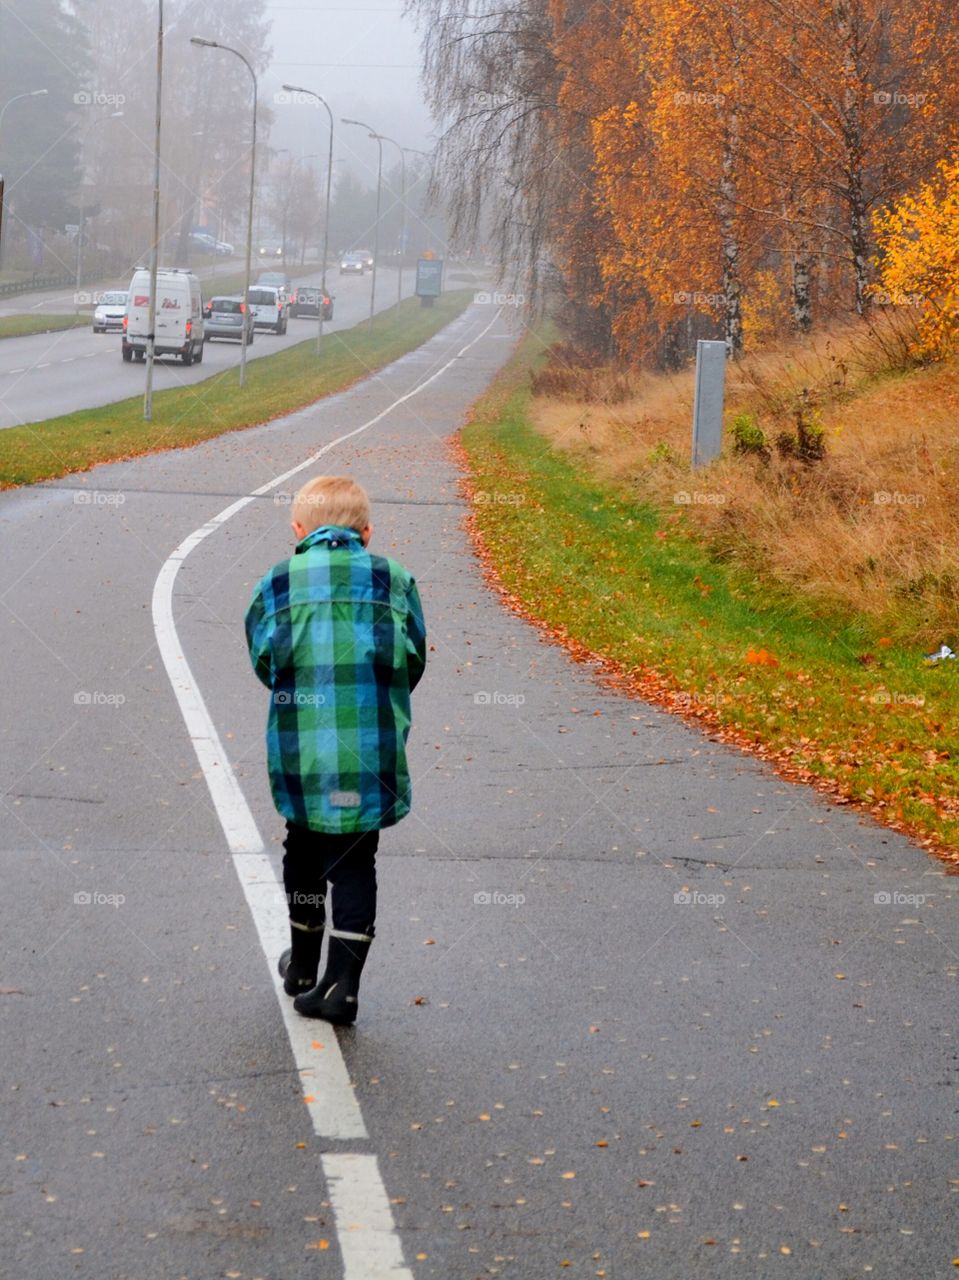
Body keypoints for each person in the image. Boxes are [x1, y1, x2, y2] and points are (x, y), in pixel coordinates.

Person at [244, 475, 426, 1024]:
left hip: (302, 750)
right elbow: (413, 657)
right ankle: (342, 986)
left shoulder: (277, 583)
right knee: (353, 861)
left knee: (301, 849)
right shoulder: (395, 581)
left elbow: (263, 660)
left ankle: (302, 965)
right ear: (367, 532)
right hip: (369, 750)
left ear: (298, 529)